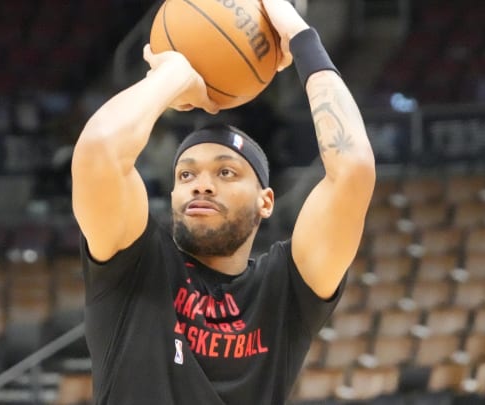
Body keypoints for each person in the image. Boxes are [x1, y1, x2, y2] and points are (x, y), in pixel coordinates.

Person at [71, 0, 376, 403]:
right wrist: (173, 76)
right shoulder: (134, 265)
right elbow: (98, 152)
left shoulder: (284, 293)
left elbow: (353, 168)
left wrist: (301, 37)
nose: (202, 184)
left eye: (226, 172)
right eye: (186, 174)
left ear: (266, 201)